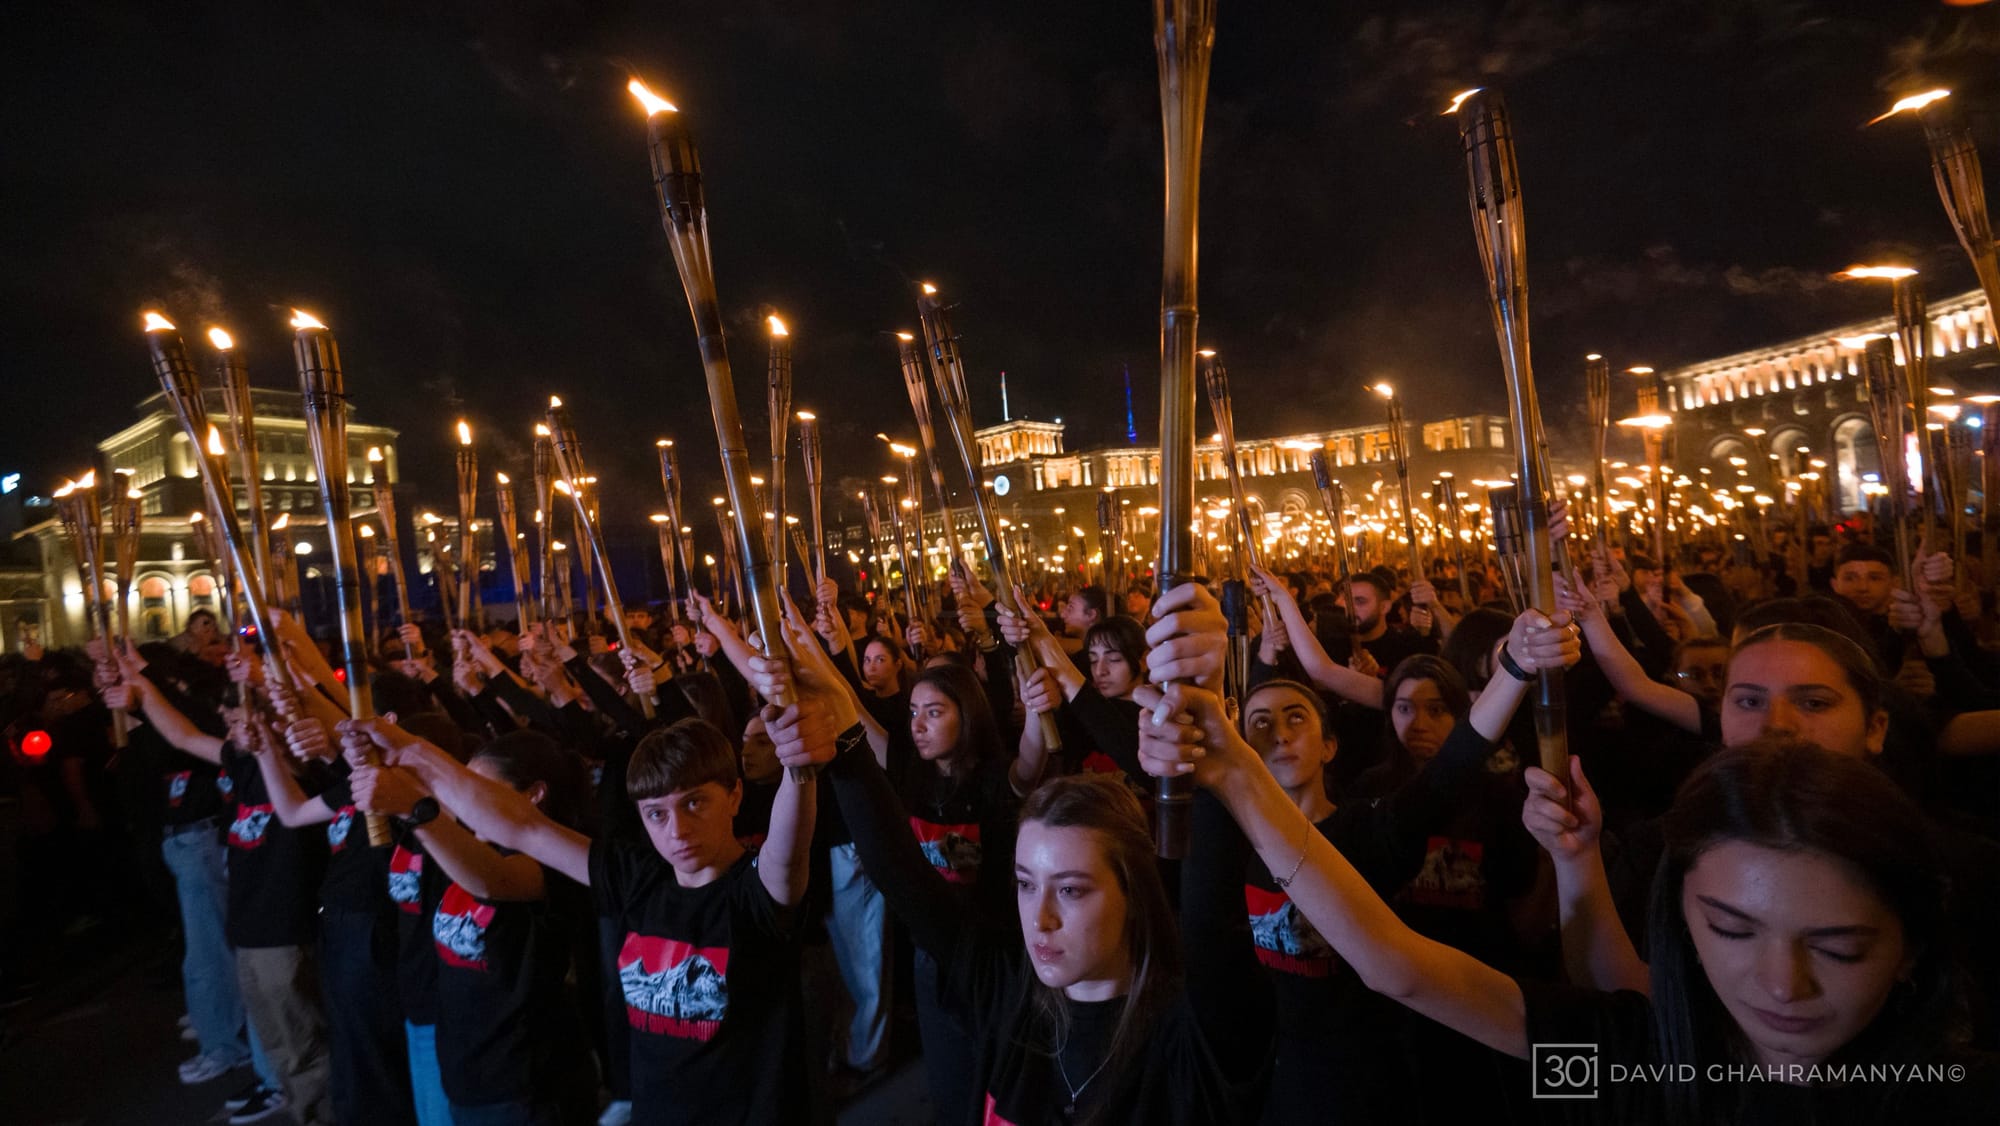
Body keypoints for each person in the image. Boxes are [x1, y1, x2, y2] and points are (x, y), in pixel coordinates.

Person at [1137, 675, 1996, 1122]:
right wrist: (1233, 777)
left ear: (1913, 944)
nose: (1781, 985)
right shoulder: (1638, 1065)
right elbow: (1399, 968)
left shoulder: (1951, 1093)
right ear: (1680, 915)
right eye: (1730, 930)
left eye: (1840, 947)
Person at [344, 631, 842, 1126]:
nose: (678, 830)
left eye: (695, 803)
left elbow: (788, 850)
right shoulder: (636, 876)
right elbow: (520, 824)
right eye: (656, 814)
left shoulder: (755, 892)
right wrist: (410, 751)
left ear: (733, 797)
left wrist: (800, 769)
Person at [824, 580, 1271, 1124]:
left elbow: (1214, 913)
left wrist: (1214, 761)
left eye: (1070, 888)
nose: (1040, 918)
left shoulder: (1190, 1034)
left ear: (1132, 890)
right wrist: (835, 727)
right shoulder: (1007, 997)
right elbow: (901, 874)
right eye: (1025, 883)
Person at [352, 731, 596, 1126]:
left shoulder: (550, 862)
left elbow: (490, 880)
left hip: (527, 1084)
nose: (466, 800)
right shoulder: (463, 842)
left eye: (479, 787)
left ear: (534, 793)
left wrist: (415, 809)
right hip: (468, 1074)